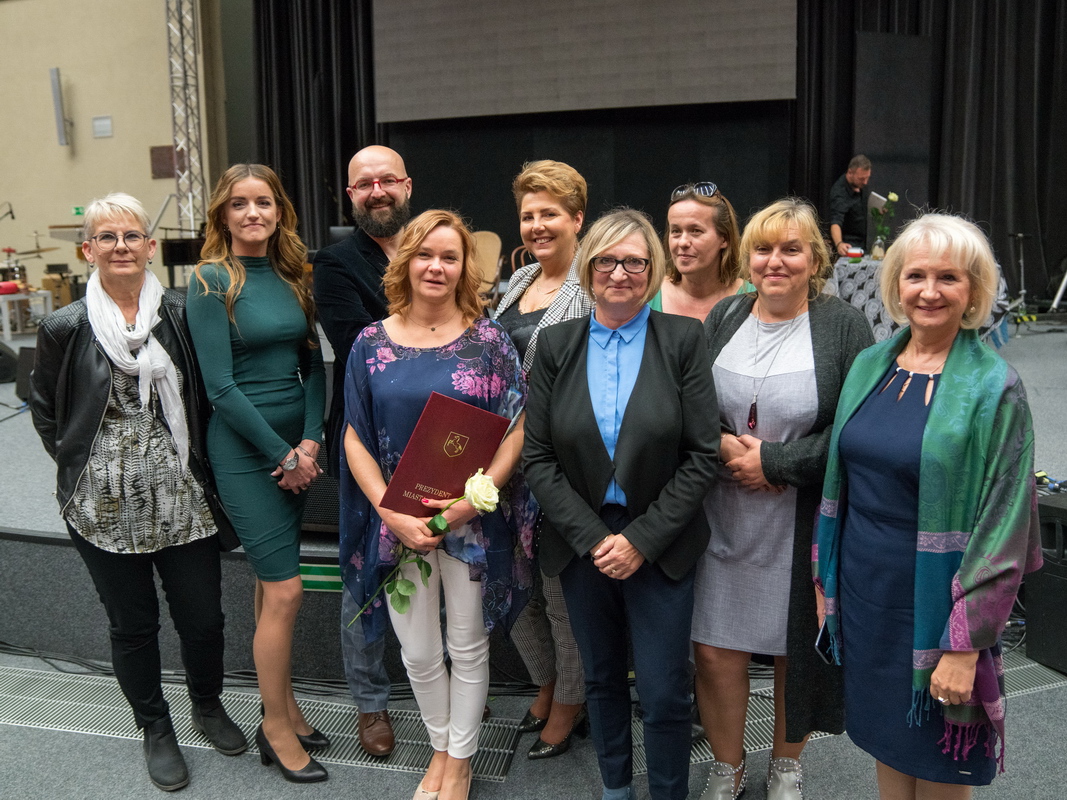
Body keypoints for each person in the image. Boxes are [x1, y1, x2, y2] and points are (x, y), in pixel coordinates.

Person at [815, 213, 1043, 800]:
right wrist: (826, 584)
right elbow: (842, 483)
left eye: (949, 277)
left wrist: (964, 646)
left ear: (974, 290)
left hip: (938, 607)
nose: (930, 291)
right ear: (896, 283)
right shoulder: (870, 366)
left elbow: (1005, 527)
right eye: (916, 275)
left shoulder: (994, 388)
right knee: (887, 746)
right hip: (867, 597)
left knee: (939, 765)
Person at [29, 193, 247, 792]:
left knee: (203, 619)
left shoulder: (180, 312)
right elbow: (46, 414)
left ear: (150, 247)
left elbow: (207, 390)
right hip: (100, 508)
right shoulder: (64, 326)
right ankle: (155, 727)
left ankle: (207, 705)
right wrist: (93, 468)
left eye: (131, 236)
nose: (120, 246)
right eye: (107, 237)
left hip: (184, 499)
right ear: (88, 249)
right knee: (133, 625)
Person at [524, 207, 719, 800]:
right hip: (581, 541)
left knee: (663, 690)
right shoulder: (556, 344)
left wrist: (640, 540)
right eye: (606, 260)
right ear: (588, 266)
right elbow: (538, 458)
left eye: (634, 261)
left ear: (653, 269)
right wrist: (593, 538)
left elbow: (702, 455)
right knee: (602, 678)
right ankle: (615, 788)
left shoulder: (683, 339)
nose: (619, 273)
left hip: (660, 540)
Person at [342, 209, 533, 800]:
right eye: (425, 254)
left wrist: (468, 505)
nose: (436, 266)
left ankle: (460, 761)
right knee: (419, 652)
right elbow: (354, 436)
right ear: (406, 261)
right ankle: (439, 745)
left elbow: (515, 430)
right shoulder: (369, 344)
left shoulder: (490, 342)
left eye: (450, 257)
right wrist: (388, 511)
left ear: (464, 267)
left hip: (470, 524)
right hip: (398, 523)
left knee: (468, 646)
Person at [695, 198, 873, 800]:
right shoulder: (724, 316)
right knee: (715, 647)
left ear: (814, 261)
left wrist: (775, 462)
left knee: (795, 647)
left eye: (791, 249)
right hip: (723, 513)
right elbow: (690, 405)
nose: (775, 261)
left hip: (801, 517)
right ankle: (727, 766)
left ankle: (786, 765)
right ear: (747, 258)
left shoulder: (844, 325)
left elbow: (856, 428)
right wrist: (726, 448)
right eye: (764, 249)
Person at [187, 164, 328, 784]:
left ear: (279, 210)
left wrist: (311, 439)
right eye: (239, 204)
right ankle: (274, 727)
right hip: (247, 453)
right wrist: (284, 456)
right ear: (223, 214)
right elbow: (219, 387)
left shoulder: (294, 274)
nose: (253, 213)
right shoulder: (211, 280)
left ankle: (287, 707)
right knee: (288, 589)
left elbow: (313, 366)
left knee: (274, 586)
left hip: (298, 447)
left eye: (264, 202)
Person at [313, 144, 412, 758]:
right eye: (364, 184)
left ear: (407, 186)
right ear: (350, 195)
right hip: (367, 438)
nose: (377, 191)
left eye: (387, 180)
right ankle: (371, 703)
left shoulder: (433, 243)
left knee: (446, 563)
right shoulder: (335, 262)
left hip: (438, 432)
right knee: (364, 575)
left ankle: (445, 685)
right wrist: (434, 336)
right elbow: (358, 347)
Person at [493, 159, 590, 759]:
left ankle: (572, 701)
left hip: (559, 463)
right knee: (515, 587)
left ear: (577, 218)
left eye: (549, 213)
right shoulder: (519, 278)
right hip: (504, 462)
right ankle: (547, 683)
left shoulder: (593, 285)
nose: (536, 226)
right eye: (528, 215)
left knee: (558, 593)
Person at [651, 182, 751, 320]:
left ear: (724, 238)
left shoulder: (753, 297)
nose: (683, 242)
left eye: (695, 231)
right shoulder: (648, 295)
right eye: (676, 231)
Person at [829, 154, 872, 258]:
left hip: (864, 244)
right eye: (861, 179)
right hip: (849, 246)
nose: (865, 182)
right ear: (850, 173)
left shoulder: (860, 186)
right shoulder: (839, 192)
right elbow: (835, 222)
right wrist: (839, 243)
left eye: (867, 178)